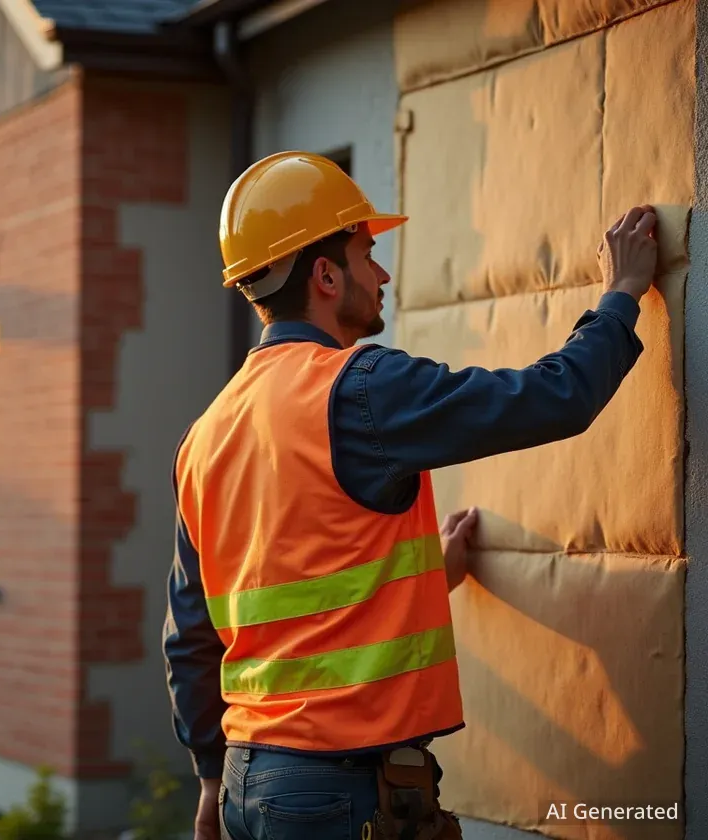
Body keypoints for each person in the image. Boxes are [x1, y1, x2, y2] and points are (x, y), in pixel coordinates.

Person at [162, 151, 658, 840]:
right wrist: (622, 294)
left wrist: (213, 778)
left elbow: (197, 632)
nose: (384, 272)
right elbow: (553, 399)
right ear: (326, 275)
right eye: (367, 252)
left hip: (250, 783)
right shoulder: (361, 387)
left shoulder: (205, 434)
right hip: (336, 790)